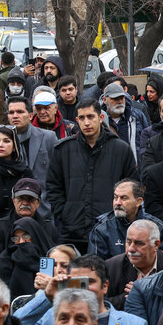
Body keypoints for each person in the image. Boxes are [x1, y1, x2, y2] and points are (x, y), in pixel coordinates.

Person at [45, 98, 138, 249]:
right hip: (72, 231)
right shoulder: (63, 150)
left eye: (90, 117)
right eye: (82, 118)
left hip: (110, 230)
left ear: (101, 118)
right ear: (76, 120)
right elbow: (53, 187)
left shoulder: (120, 149)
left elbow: (132, 186)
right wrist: (65, 214)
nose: (86, 123)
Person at [87, 179, 163, 260]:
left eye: (124, 198)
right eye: (115, 197)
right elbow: (96, 265)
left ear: (138, 202)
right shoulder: (102, 228)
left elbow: (161, 260)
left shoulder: (156, 226)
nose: (118, 202)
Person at [103, 220, 162, 307]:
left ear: (156, 245)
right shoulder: (112, 266)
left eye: (139, 243)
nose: (131, 249)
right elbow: (103, 305)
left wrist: (149, 295)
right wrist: (130, 296)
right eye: (128, 242)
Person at [100, 81, 149, 164]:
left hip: (134, 170)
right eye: (115, 99)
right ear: (105, 100)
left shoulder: (137, 117)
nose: (119, 102)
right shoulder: (99, 120)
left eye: (122, 98)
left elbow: (147, 142)